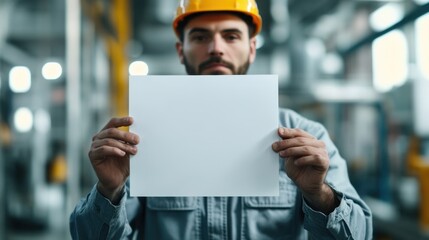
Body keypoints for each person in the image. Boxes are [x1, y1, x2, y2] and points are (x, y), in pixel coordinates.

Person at [70, 0, 373, 239]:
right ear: (180, 50)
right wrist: (108, 191)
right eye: (200, 37)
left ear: (252, 49)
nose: (216, 48)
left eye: (231, 36)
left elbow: (359, 235)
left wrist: (318, 195)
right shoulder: (142, 136)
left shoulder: (304, 134)